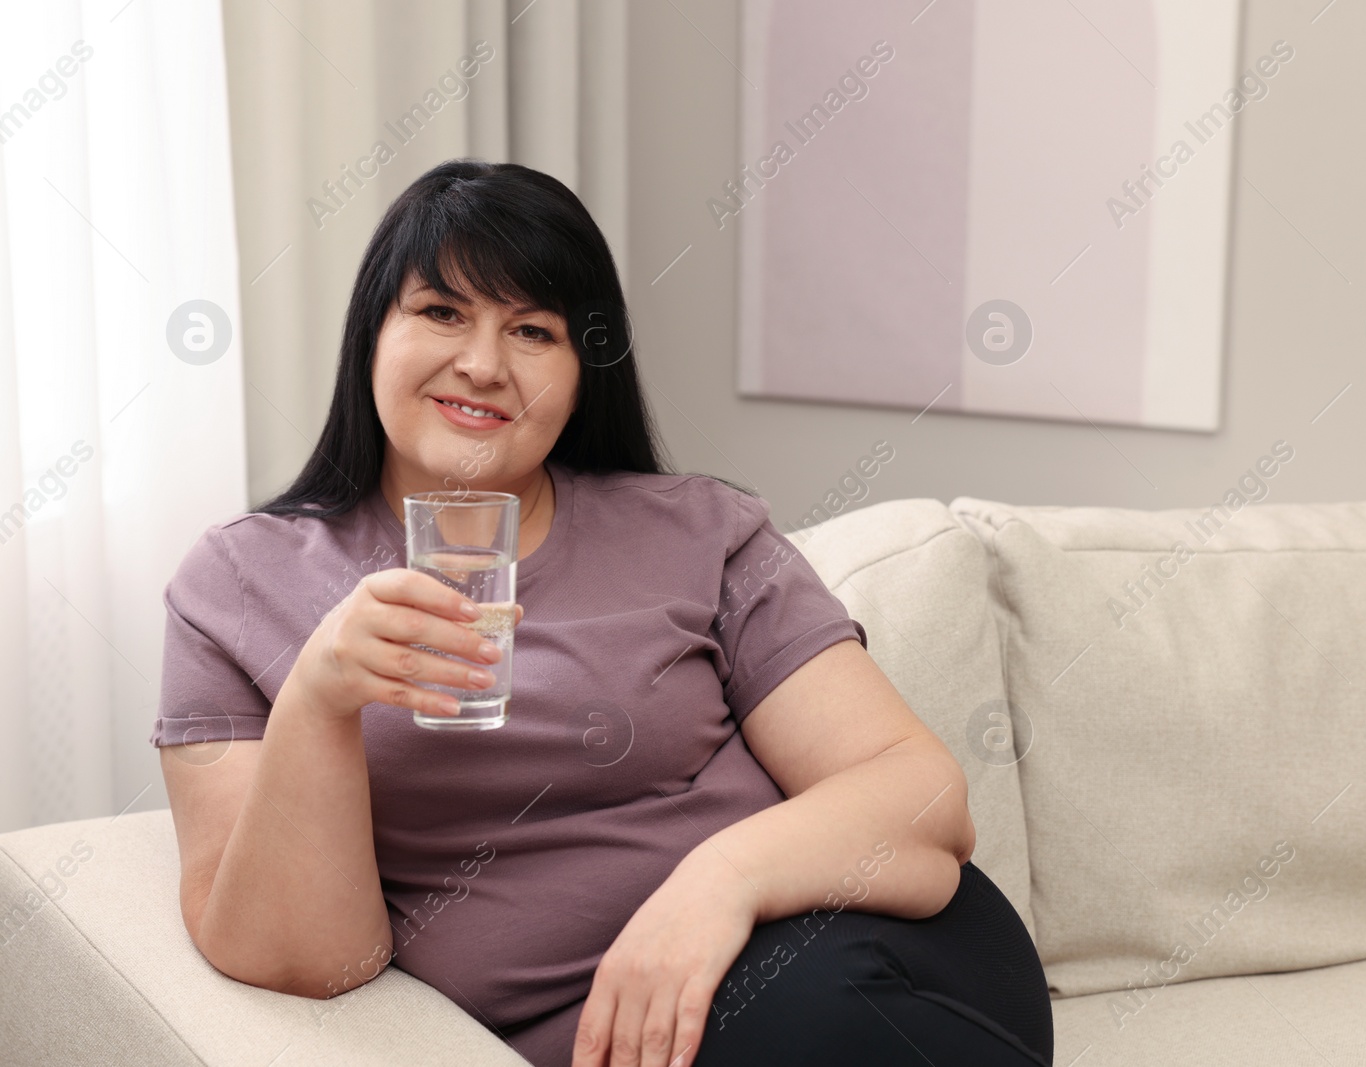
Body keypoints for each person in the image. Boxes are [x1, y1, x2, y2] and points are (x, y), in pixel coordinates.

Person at [150, 159, 1052, 1067]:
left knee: (824, 1018)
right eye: (442, 311)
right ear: (370, 334)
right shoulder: (236, 583)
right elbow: (307, 958)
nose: (482, 363)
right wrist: (321, 694)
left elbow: (922, 795)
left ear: (583, 373)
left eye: (533, 330)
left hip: (846, 947)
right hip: (666, 1038)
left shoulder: (701, 530)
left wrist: (715, 883)